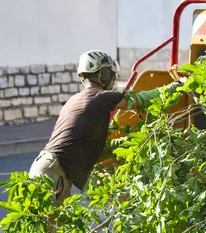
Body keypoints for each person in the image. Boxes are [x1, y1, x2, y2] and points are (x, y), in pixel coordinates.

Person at [28, 50, 186, 207]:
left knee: (54, 228)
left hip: (46, 167)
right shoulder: (101, 96)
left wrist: (133, 142)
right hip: (53, 172)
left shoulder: (76, 99)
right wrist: (178, 85)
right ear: (101, 75)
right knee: (51, 229)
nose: (113, 80)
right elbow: (142, 100)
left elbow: (97, 151)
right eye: (111, 74)